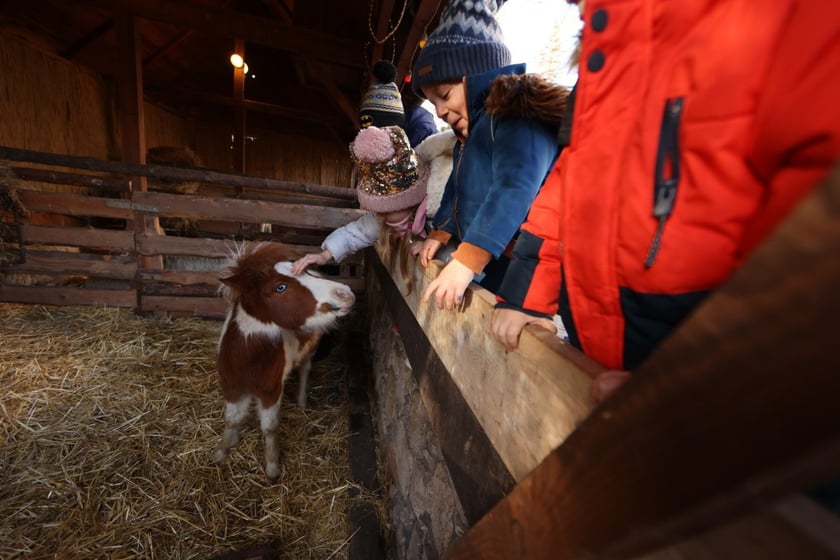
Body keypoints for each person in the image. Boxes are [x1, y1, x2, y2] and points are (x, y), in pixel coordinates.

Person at [491, 0, 840, 403]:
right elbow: (570, 179)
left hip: (706, 344)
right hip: (601, 341)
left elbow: (818, 191)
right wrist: (525, 295)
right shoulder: (603, 53)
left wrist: (732, 372)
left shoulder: (773, 17)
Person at [411, 0, 569, 311]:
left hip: (527, 262)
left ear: (478, 75)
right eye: (434, 103)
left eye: (444, 96)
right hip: (492, 255)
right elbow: (456, 194)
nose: (440, 111)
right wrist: (440, 233)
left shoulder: (516, 114)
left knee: (515, 334)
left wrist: (468, 258)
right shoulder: (467, 138)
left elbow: (513, 188)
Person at [291, 125, 445, 276]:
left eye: (386, 210)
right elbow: (356, 233)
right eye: (377, 210)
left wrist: (431, 241)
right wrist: (324, 256)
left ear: (408, 204)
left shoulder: (438, 211)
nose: (378, 216)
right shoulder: (387, 220)